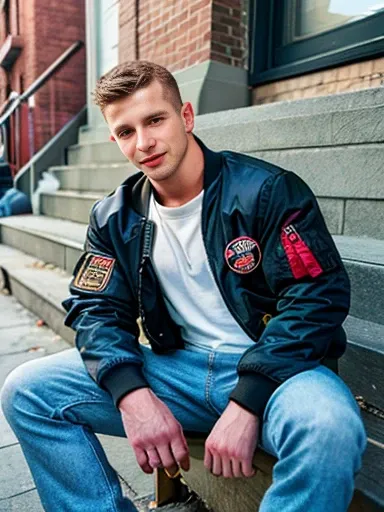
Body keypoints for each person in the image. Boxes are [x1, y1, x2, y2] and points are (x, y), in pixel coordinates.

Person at [1, 61, 366, 512]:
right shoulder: (113, 217)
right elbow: (95, 309)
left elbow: (317, 297)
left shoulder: (267, 192)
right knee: (27, 391)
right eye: (126, 131)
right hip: (179, 372)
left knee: (330, 428)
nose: (145, 143)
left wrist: (248, 401)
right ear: (115, 141)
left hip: (276, 372)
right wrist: (132, 394)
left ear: (186, 117)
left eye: (155, 120)